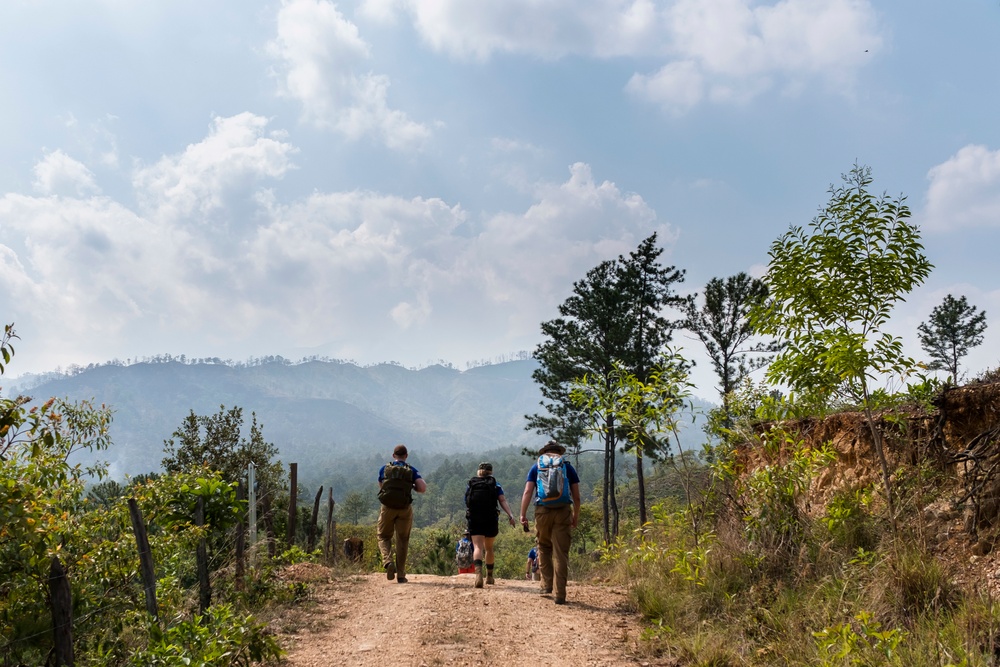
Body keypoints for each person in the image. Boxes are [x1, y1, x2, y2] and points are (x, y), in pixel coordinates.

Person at [519, 440, 581, 605]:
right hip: (563, 511)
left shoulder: (537, 467)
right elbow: (576, 496)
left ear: (545, 452)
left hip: (542, 511)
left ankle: (546, 586)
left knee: (544, 547)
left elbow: (527, 491)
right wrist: (575, 515)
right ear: (559, 452)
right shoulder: (567, 467)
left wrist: (522, 514)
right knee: (561, 553)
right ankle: (560, 594)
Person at [376, 444, 427, 584]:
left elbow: (381, 485)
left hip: (387, 508)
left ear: (394, 456)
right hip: (404, 508)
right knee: (402, 539)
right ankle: (401, 575)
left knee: (383, 536)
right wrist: (412, 487)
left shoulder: (385, 469)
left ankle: (388, 562)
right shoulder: (411, 470)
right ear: (406, 456)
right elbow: (422, 488)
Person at [465, 461, 517, 588]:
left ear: (479, 471)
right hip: (491, 518)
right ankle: (489, 576)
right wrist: (510, 515)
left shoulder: (472, 483)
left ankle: (478, 575)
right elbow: (502, 500)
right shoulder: (495, 485)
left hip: (475, 518)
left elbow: (466, 502)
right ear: (491, 472)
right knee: (489, 548)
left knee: (477, 547)